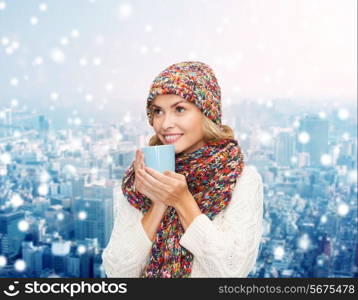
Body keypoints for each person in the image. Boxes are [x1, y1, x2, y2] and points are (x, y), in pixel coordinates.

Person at [102, 61, 264, 278]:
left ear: (207, 113)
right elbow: (117, 272)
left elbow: (231, 270)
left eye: (179, 109)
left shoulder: (241, 180)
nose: (165, 123)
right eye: (158, 111)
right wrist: (159, 201)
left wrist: (182, 200)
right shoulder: (138, 180)